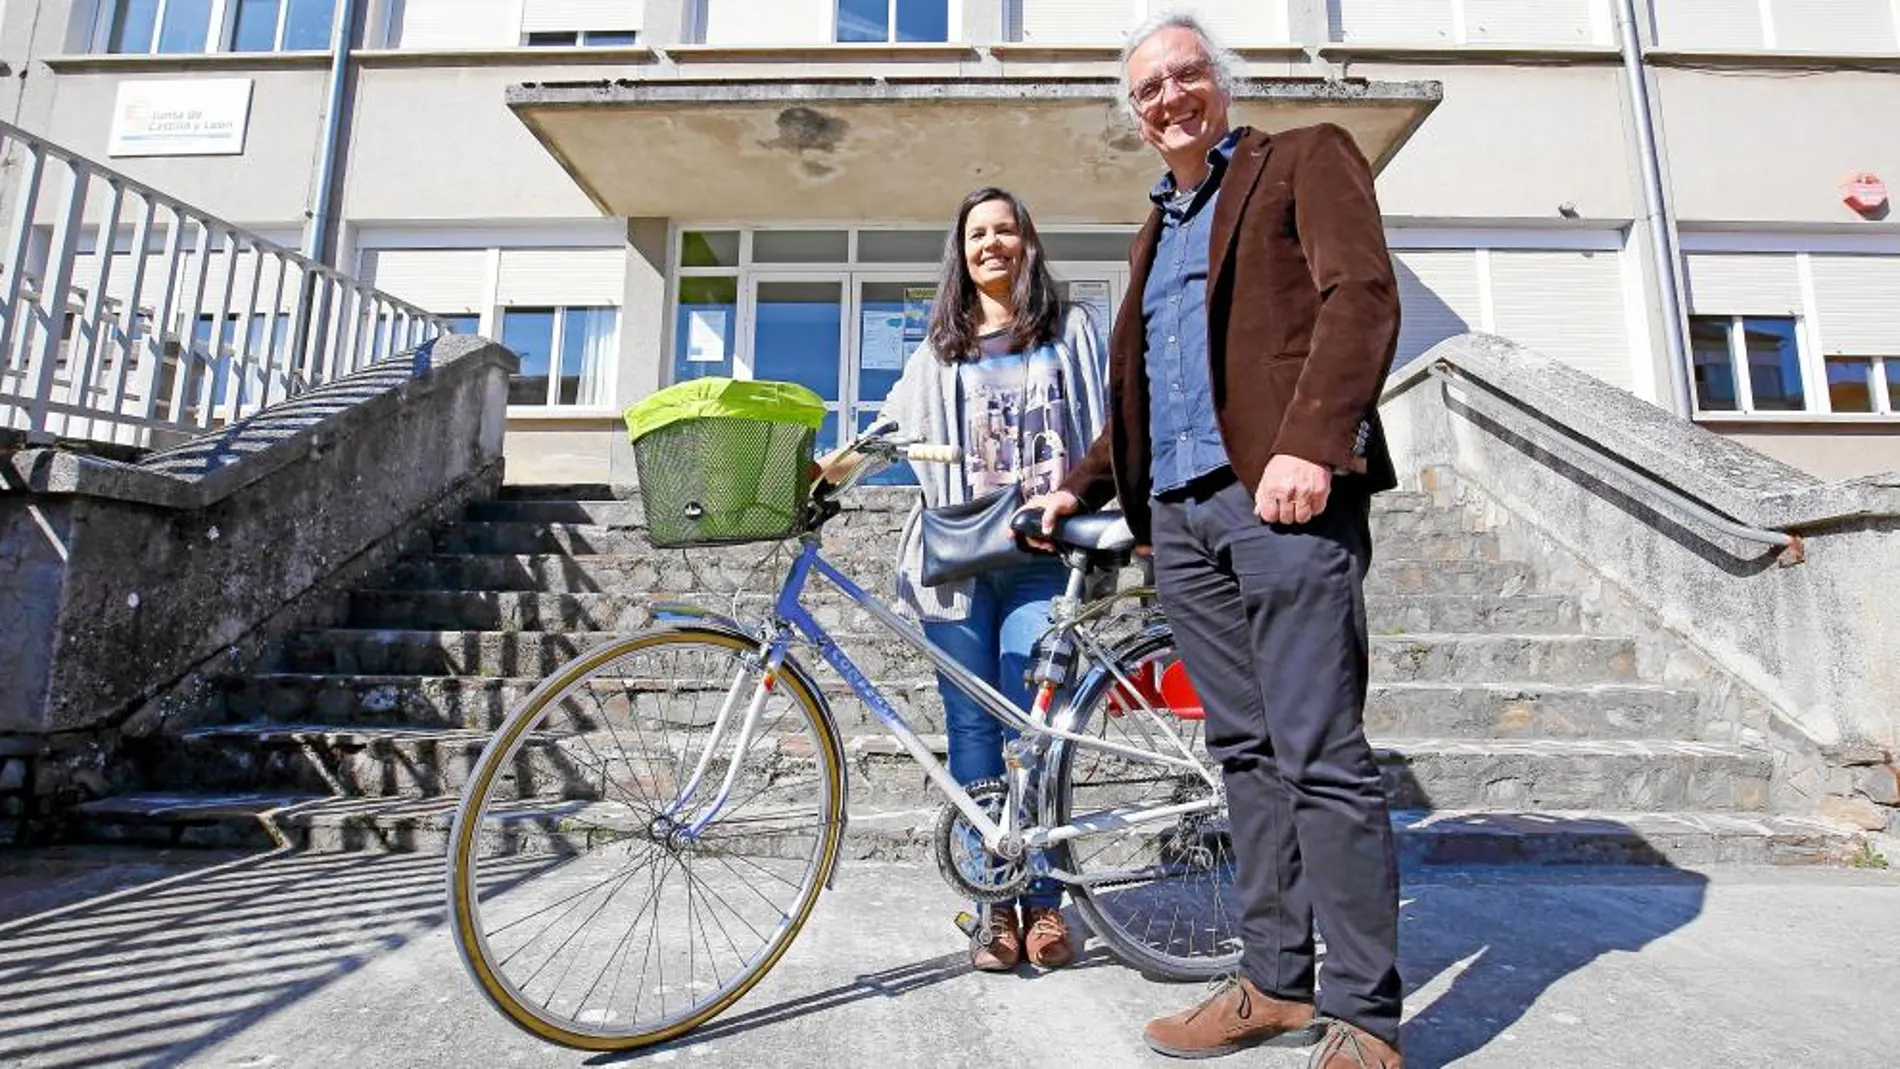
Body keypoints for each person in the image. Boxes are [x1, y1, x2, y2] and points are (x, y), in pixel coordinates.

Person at [1032, 13, 1406, 1069]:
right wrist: (1080, 483)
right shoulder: (1155, 227)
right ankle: (1274, 984)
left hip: (1279, 499)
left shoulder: (1302, 160)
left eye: (1185, 75)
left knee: (1318, 753)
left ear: (1221, 83)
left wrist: (1312, 442)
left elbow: (1359, 296)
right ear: (1137, 115)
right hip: (1182, 521)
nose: (1168, 98)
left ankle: (1366, 1013)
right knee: (1241, 751)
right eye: (1147, 90)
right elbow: (1151, 385)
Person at [824, 187, 1108, 973]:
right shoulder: (938, 351)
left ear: (1027, 243)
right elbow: (886, 428)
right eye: (977, 233)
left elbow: (1118, 416)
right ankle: (994, 906)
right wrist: (827, 470)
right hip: (958, 563)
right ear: (963, 250)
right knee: (973, 731)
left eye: (1005, 230)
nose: (992, 243)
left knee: (1037, 727)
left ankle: (1047, 902)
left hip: (1045, 556)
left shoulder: (1075, 330)